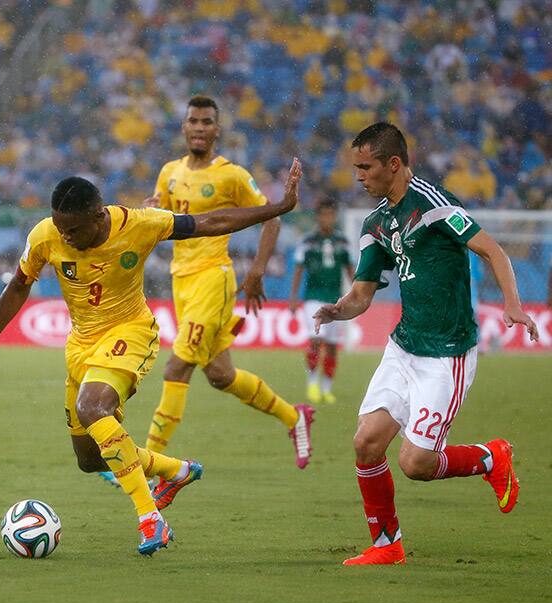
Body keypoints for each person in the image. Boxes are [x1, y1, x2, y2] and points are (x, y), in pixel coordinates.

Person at [0, 159, 303, 555]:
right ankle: (174, 471)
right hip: (80, 346)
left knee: (92, 407)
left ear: (99, 215)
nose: (66, 237)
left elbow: (210, 222)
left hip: (131, 333)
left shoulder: (139, 224)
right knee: (89, 459)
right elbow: (18, 287)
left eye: (74, 230)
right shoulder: (46, 236)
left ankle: (149, 519)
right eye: (60, 228)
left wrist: (277, 208)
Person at [314, 122, 539, 565]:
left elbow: (494, 251)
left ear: (393, 164)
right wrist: (336, 309)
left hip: (446, 354)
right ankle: (387, 546)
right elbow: (362, 295)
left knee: (415, 464)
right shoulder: (376, 223)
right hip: (404, 347)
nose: (358, 176)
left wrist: (512, 303)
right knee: (367, 443)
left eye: (365, 167)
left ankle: (491, 458)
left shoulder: (433, 205)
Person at [141, 95, 314, 469]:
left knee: (177, 368)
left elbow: (272, 216)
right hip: (181, 281)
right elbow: (162, 222)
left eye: (207, 122)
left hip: (213, 278)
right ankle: (294, 417)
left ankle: (148, 464)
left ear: (217, 130)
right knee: (221, 375)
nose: (200, 128)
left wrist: (256, 270)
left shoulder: (231, 175)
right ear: (184, 127)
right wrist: (151, 212)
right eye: (194, 121)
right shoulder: (169, 172)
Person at [288, 198, 353, 404]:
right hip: (313, 298)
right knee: (316, 340)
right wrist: (293, 297)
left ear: (334, 217)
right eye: (323, 214)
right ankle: (312, 383)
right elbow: (298, 269)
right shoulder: (308, 241)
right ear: (317, 216)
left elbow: (350, 270)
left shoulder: (342, 242)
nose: (327, 218)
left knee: (333, 346)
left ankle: (326, 388)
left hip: (336, 300)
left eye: (330, 214)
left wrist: (357, 295)